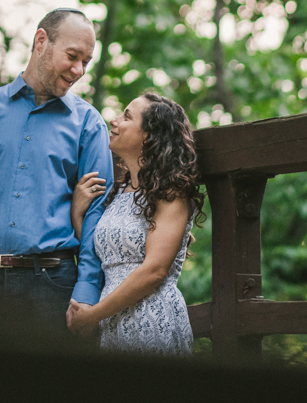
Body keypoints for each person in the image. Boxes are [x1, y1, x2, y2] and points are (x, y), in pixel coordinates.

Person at [0, 8, 113, 331]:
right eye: (73, 56)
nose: (78, 70)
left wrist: (87, 288)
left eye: (86, 62)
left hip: (52, 287)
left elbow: (97, 212)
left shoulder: (88, 124)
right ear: (41, 41)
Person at [66, 91, 204, 355]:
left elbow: (154, 270)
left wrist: (93, 315)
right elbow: (106, 255)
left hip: (151, 320)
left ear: (149, 136)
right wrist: (77, 215)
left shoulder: (171, 193)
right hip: (112, 323)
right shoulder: (120, 191)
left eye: (126, 116)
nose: (114, 121)